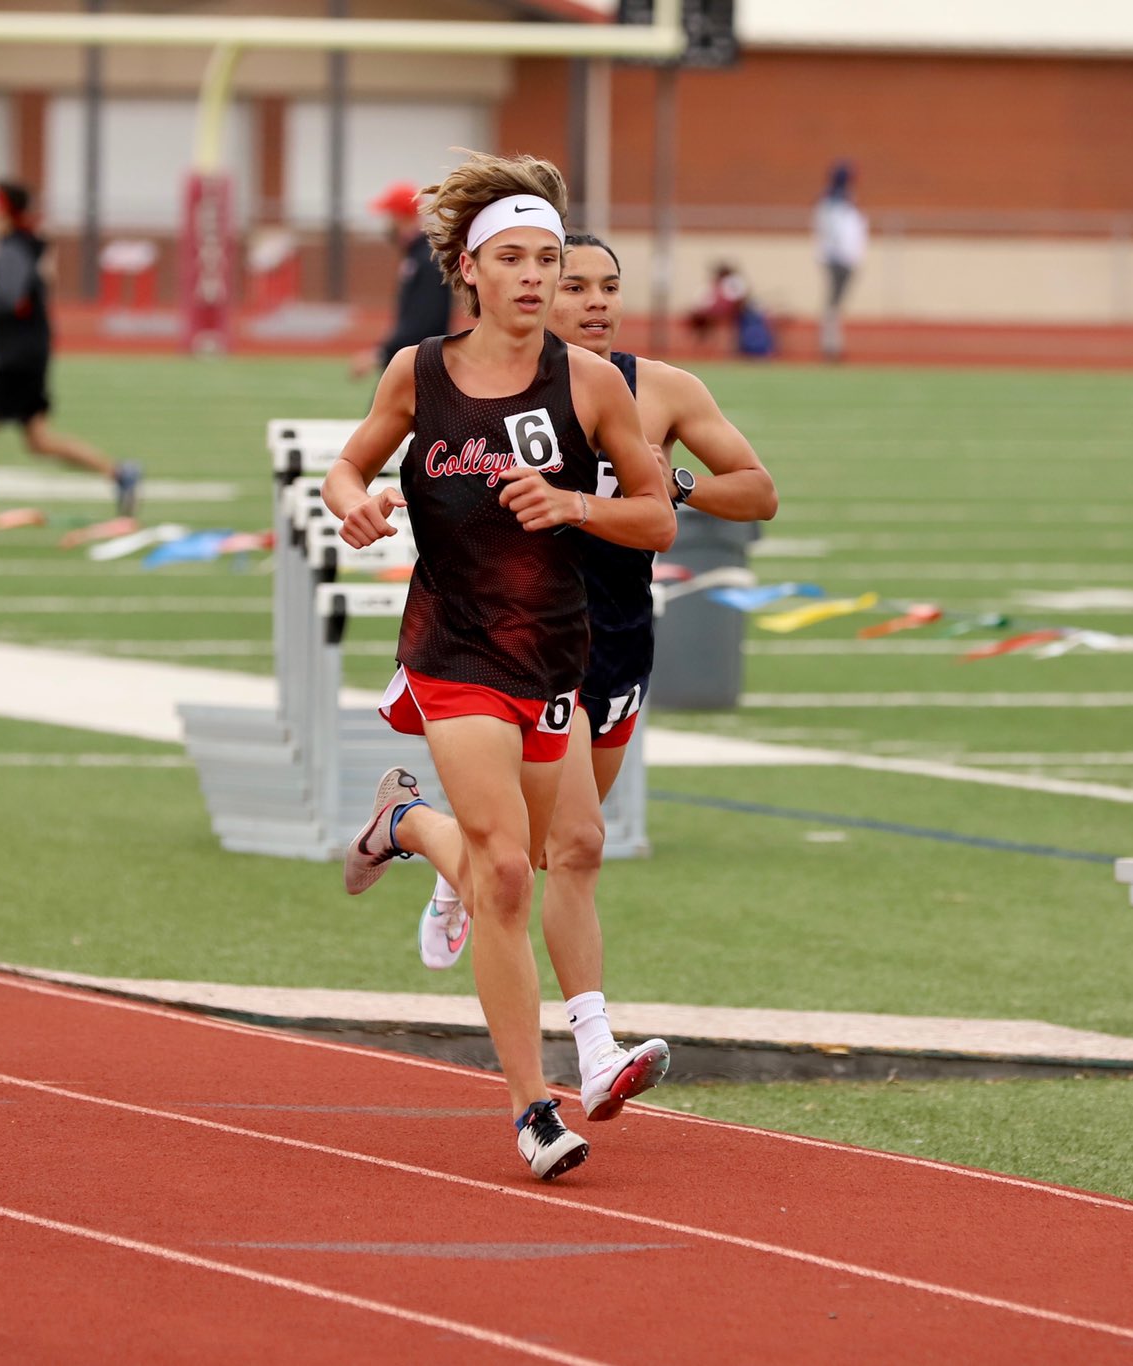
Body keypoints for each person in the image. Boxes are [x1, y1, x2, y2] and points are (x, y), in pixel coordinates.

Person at [324, 152, 676, 1181]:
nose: (533, 277)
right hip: (451, 645)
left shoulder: (592, 384)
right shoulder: (418, 373)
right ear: (470, 270)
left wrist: (572, 505)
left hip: (551, 653)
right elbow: (353, 459)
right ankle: (532, 1106)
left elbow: (653, 513)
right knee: (509, 871)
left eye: (548, 259)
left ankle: (401, 822)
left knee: (534, 853)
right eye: (513, 258)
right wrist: (354, 497)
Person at [408, 231, 777, 1117]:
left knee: (539, 853)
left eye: (609, 286)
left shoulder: (660, 391)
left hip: (619, 642)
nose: (597, 302)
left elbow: (758, 493)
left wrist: (663, 484)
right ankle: (596, 1049)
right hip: (526, 644)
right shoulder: (506, 383)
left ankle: (419, 831)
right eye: (575, 286)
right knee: (579, 845)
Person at [0, 180, 137, 534]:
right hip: (31, 350)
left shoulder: (13, 247)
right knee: (39, 439)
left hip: (18, 354)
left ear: (4, 209)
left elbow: (11, 299)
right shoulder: (25, 245)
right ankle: (120, 473)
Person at [350, 180, 455, 381]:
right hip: (414, 364)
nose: (386, 224)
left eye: (389, 216)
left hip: (420, 368)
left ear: (400, 217)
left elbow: (424, 321)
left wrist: (380, 354)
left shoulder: (427, 260)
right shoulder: (416, 257)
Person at [813, 161, 866, 362]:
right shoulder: (833, 201)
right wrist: (843, 256)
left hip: (843, 258)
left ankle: (832, 344)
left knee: (834, 306)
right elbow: (836, 232)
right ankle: (830, 346)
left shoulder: (840, 200)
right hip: (839, 259)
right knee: (833, 305)